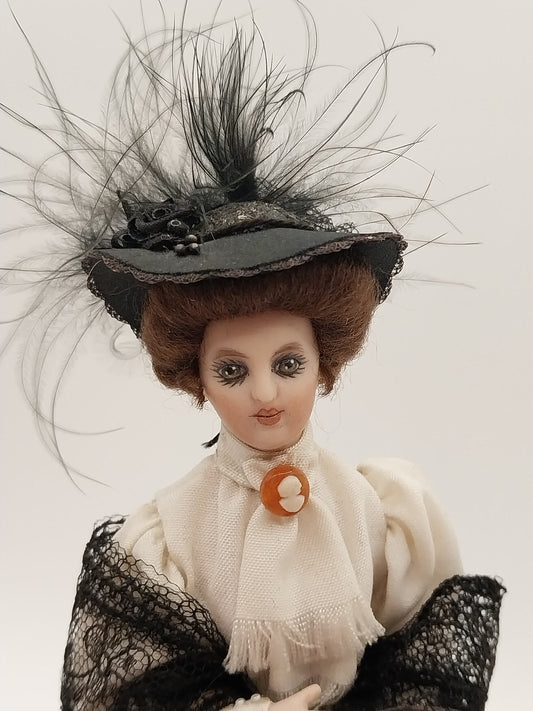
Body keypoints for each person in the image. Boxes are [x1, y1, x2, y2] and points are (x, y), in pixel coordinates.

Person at [2, 9, 504, 711]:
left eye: (289, 364)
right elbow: (137, 687)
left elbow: (420, 654)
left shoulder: (377, 508)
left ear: (324, 361)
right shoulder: (172, 531)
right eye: (232, 370)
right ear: (196, 377)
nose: (264, 392)